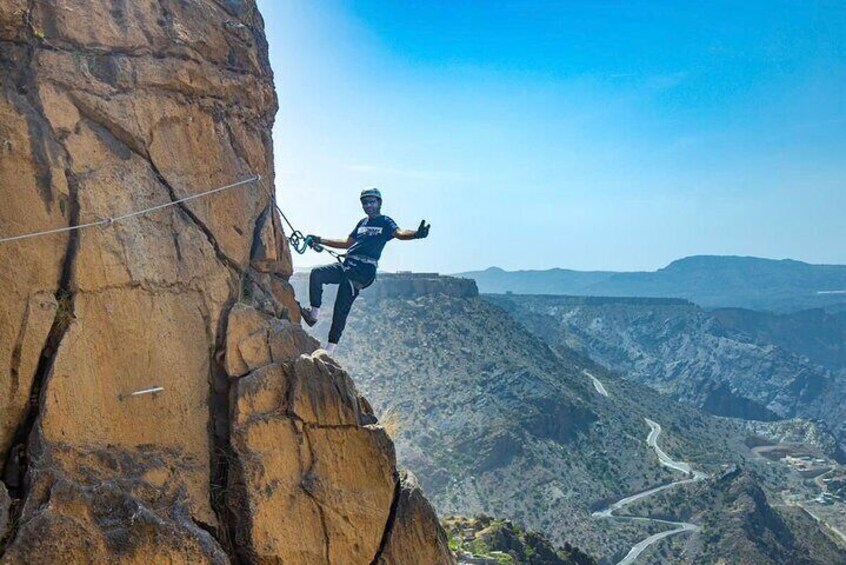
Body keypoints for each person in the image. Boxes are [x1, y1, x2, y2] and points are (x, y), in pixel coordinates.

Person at [301, 188, 429, 353]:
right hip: (348, 264)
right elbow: (347, 243)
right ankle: (313, 315)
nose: (368, 205)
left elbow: (399, 233)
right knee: (317, 274)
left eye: (371, 202)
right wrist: (320, 240)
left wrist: (416, 234)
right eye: (365, 202)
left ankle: (329, 349)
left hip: (364, 270)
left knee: (342, 303)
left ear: (379, 203)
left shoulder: (385, 222)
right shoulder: (362, 223)